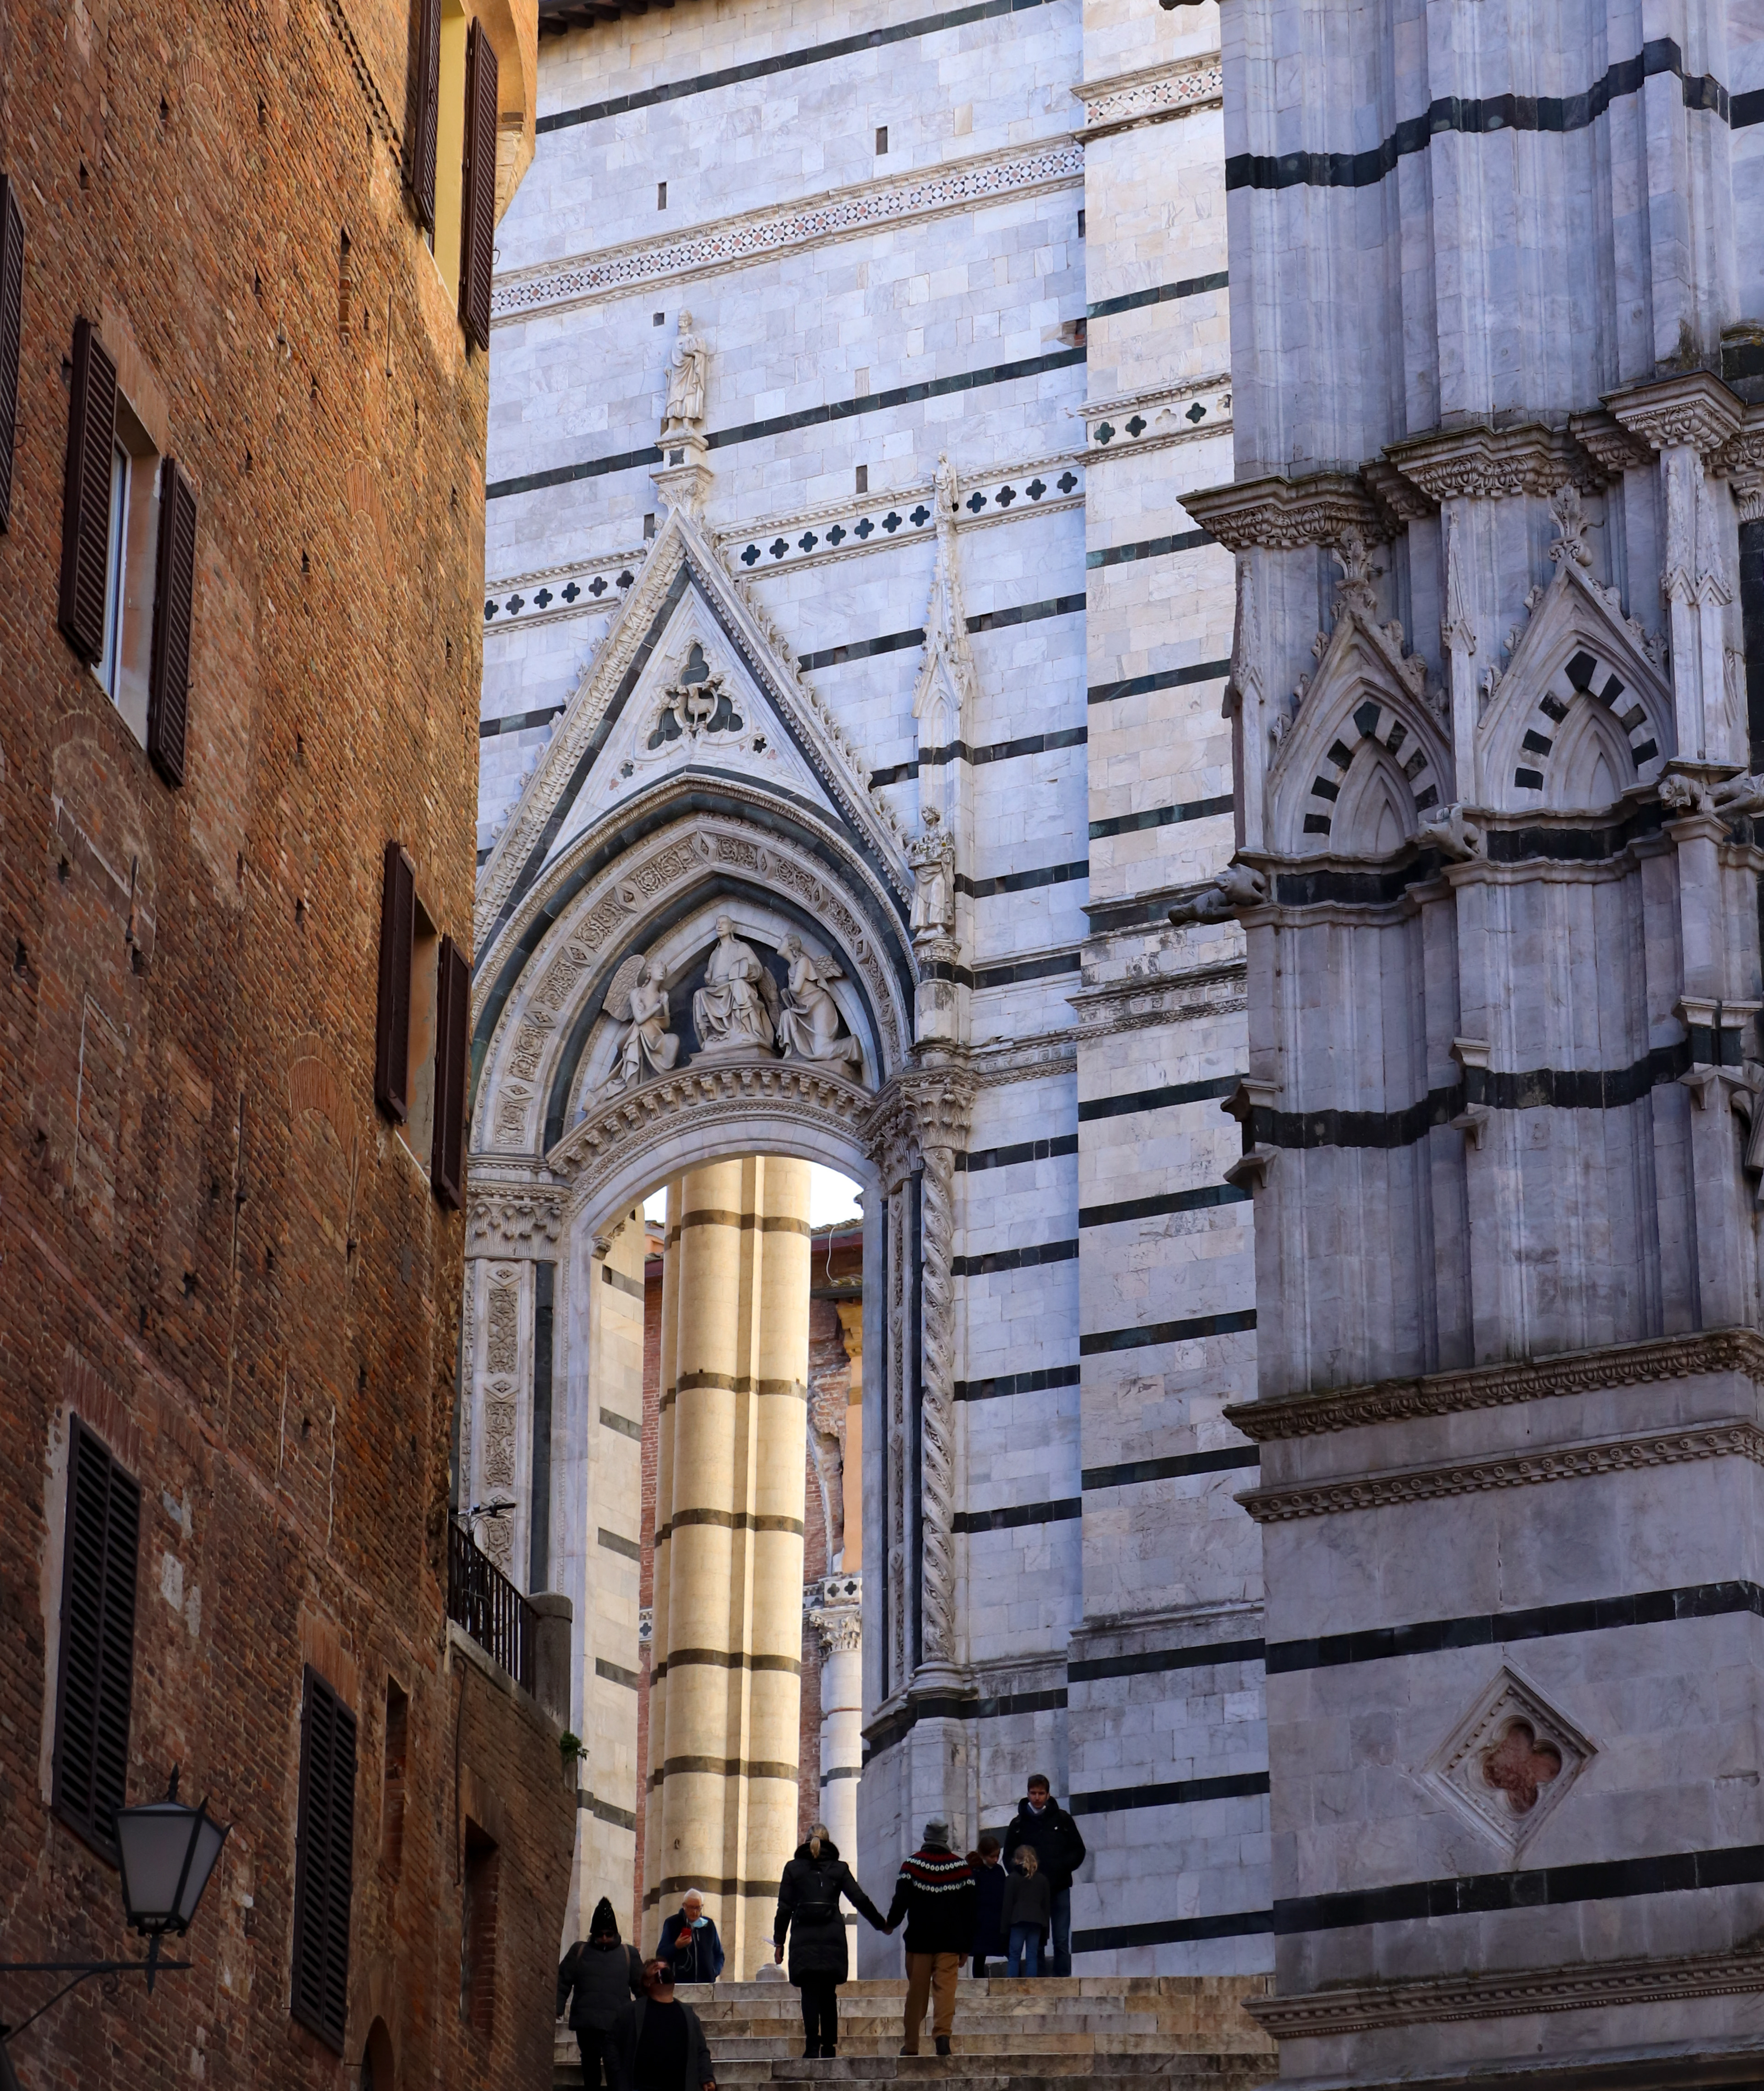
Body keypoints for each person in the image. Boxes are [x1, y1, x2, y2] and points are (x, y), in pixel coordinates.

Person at [772, 1819, 889, 2057]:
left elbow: (784, 1908)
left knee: (809, 1991)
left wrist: (779, 1942)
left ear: (806, 1842)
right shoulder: (839, 1868)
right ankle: (828, 2047)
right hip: (832, 1938)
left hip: (804, 1938)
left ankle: (812, 2044)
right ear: (829, 1842)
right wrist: (881, 1924)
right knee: (828, 1993)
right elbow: (860, 1899)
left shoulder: (793, 1869)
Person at [884, 1816, 974, 2057]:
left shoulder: (911, 1865)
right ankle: (942, 2036)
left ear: (925, 1837)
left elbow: (900, 1902)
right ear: (946, 1839)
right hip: (950, 1942)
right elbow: (969, 1912)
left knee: (917, 1993)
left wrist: (890, 1924)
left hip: (920, 1941)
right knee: (946, 1991)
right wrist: (966, 1947)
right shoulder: (962, 1868)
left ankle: (911, 2045)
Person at [1002, 1774, 1086, 1978]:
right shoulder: (1019, 1823)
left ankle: (1063, 1981)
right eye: (1033, 1793)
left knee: (1061, 1939)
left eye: (1041, 1793)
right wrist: (1022, 1876)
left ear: (1048, 1795)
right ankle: (1037, 1981)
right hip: (1031, 1893)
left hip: (1058, 1888)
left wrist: (1062, 1867)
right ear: (1028, 1794)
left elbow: (1078, 1850)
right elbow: (1008, 1856)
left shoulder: (1063, 1819)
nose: (1037, 1798)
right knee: (1036, 1941)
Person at [560, 1898, 646, 2088]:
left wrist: (650, 2011)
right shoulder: (579, 1951)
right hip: (587, 2024)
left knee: (615, 2068)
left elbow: (641, 1987)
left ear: (615, 1933)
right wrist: (557, 2006)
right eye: (600, 1935)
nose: (605, 1938)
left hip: (616, 2023)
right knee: (590, 2070)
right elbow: (562, 1981)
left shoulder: (628, 1954)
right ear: (593, 1934)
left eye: (608, 1934)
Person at [606, 1958, 717, 2091]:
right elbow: (610, 2046)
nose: (662, 1970)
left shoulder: (688, 2015)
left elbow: (701, 2051)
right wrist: (618, 2080)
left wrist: (707, 2077)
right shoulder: (630, 2012)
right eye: (656, 1969)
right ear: (647, 1982)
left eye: (666, 1969)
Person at [654, 1890, 725, 1985]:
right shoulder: (672, 1923)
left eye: (698, 1908)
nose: (695, 1912)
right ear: (684, 1906)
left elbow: (719, 1954)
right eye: (691, 1908)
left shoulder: (708, 1925)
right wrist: (676, 1946)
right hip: (679, 1984)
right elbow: (661, 1954)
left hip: (706, 1984)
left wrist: (714, 1972)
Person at [1001, 1848, 1052, 1978]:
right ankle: (1031, 1987)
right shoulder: (1043, 1880)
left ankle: (1012, 1987)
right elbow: (1046, 1907)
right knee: (1032, 1956)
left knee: (1014, 1956)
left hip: (1018, 1921)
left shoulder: (1012, 1879)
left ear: (1016, 1860)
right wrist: (1046, 1932)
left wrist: (1004, 1930)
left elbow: (1007, 1906)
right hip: (1037, 1922)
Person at [968, 1834, 1006, 1979]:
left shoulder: (999, 1871)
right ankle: (979, 1981)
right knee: (980, 1953)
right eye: (992, 1857)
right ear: (983, 1855)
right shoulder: (975, 1871)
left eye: (997, 1856)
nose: (996, 1860)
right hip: (981, 1920)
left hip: (997, 1918)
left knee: (1007, 1949)